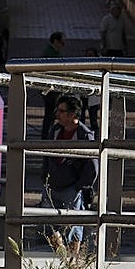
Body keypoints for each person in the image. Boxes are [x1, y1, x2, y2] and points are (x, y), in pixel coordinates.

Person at [41, 94, 98, 255]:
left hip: (71, 188)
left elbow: (93, 166)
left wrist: (79, 186)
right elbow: (47, 155)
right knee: (48, 224)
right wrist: (45, 176)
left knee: (73, 228)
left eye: (61, 111)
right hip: (52, 185)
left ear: (72, 114)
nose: (57, 114)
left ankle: (72, 263)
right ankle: (64, 259)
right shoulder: (56, 130)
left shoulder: (84, 135)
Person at [40, 31, 65, 141]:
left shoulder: (50, 52)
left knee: (50, 114)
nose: (62, 46)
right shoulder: (51, 53)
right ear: (56, 41)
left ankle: (47, 135)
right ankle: (48, 135)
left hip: (49, 87)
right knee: (52, 113)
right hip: (50, 88)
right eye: (62, 43)